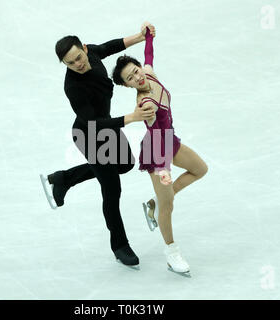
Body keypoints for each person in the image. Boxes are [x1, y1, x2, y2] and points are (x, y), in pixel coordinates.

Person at [41, 23, 156, 268]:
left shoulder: (92, 53)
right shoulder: (73, 87)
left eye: (79, 58)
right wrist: (131, 118)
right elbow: (93, 122)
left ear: (84, 49)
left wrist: (138, 37)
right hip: (90, 135)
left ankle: (64, 178)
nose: (78, 65)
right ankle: (120, 245)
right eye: (70, 63)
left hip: (108, 127)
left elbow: (108, 47)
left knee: (125, 164)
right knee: (112, 188)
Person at [112, 27, 208, 275]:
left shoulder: (149, 73)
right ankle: (171, 253)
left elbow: (149, 53)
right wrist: (142, 114)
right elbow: (145, 112)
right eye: (131, 79)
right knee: (169, 208)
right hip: (158, 155)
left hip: (170, 141)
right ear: (126, 85)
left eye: (136, 71)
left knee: (200, 169)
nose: (137, 78)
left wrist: (148, 34)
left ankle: (155, 202)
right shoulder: (144, 102)